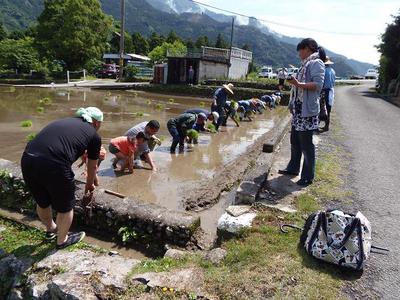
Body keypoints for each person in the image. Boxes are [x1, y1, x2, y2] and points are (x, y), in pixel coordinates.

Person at [21, 107, 103, 249]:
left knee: (42, 202)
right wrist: (89, 185)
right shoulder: (94, 135)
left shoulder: (64, 121)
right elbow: (92, 167)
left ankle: (51, 229)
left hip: (28, 158)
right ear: (96, 123)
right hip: (54, 164)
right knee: (65, 207)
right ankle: (62, 240)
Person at [279, 38, 325, 186]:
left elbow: (317, 85)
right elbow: (298, 88)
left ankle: (307, 176)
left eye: (300, 50)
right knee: (295, 141)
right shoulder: (305, 64)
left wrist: (297, 83)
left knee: (306, 144)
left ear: (308, 48)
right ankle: (293, 168)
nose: (299, 53)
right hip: (299, 109)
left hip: (307, 110)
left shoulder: (316, 63)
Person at [321, 57, 336, 131]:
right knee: (328, 109)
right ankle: (327, 126)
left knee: (322, 108)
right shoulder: (332, 70)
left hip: (325, 91)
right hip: (331, 91)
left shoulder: (323, 71)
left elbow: (322, 83)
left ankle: (318, 124)